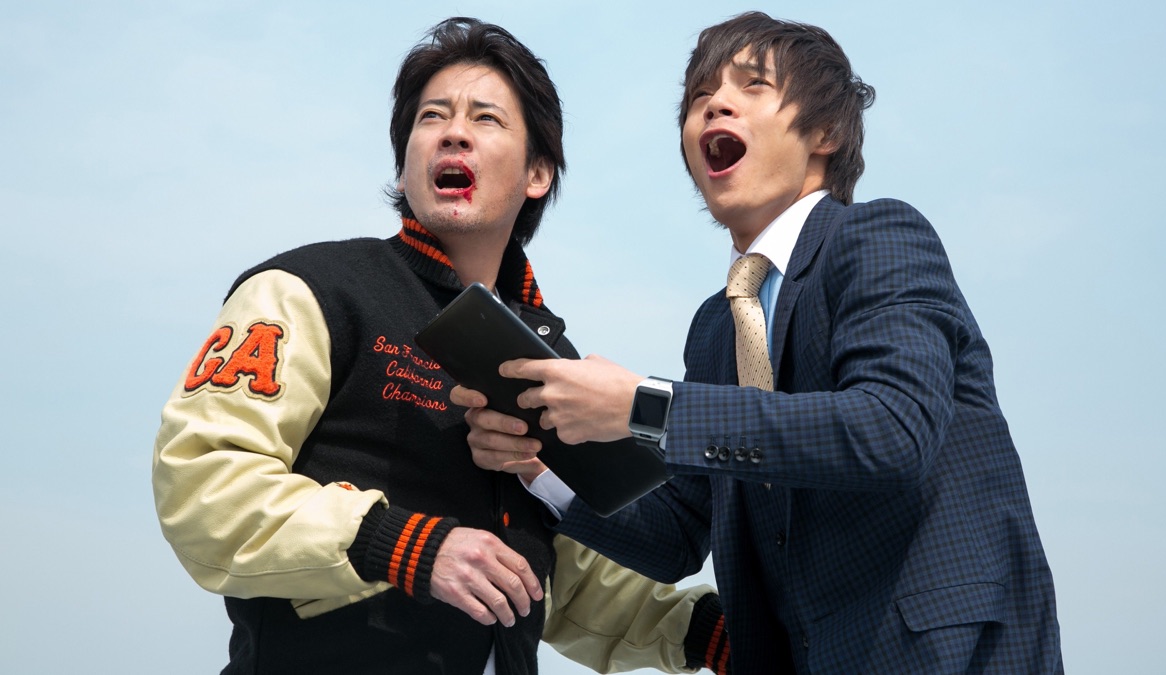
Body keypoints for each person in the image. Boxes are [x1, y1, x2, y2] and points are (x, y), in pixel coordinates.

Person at [454, 11, 1062, 673]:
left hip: (946, 655)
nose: (715, 103)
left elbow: (892, 429)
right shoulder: (716, 327)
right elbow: (677, 535)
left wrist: (641, 405)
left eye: (752, 85)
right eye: (699, 96)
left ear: (826, 133)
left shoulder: (879, 236)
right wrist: (539, 468)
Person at [152, 17, 730, 675]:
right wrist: (404, 545)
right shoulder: (307, 290)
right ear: (405, 167)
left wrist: (712, 633)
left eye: (486, 118)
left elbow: (558, 578)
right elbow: (203, 485)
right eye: (432, 117)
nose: (454, 132)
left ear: (538, 172)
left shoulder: (554, 363)